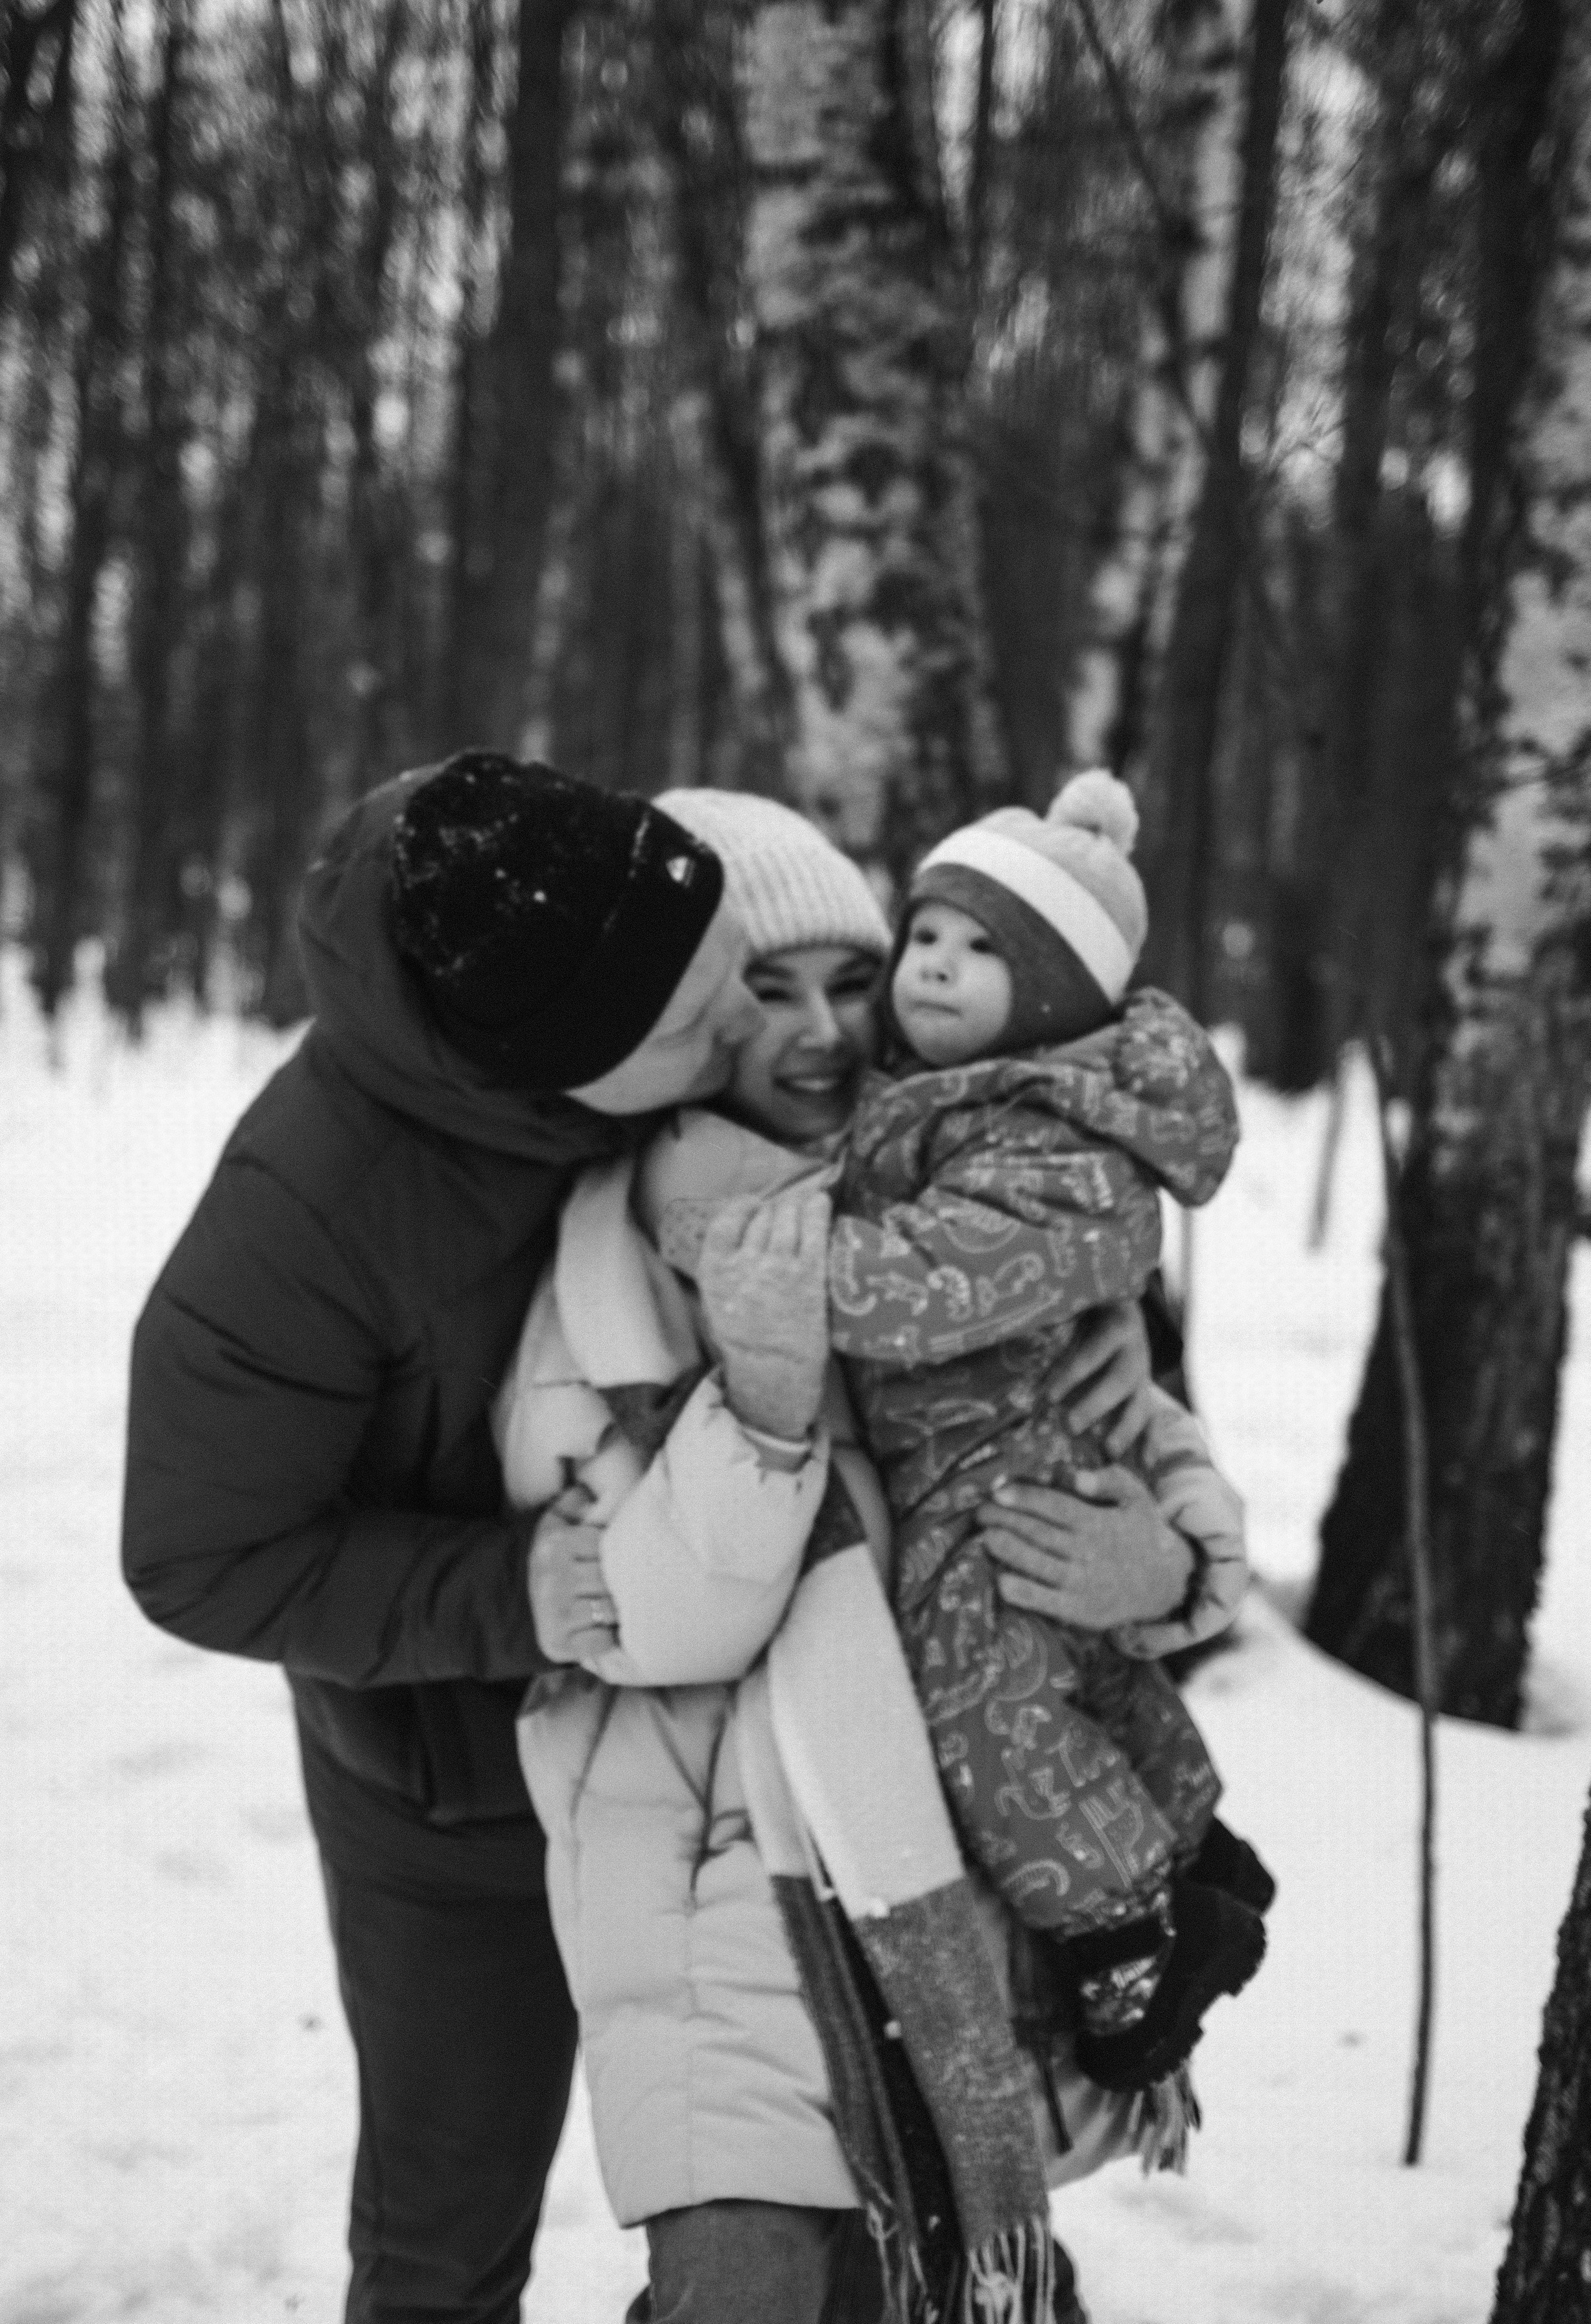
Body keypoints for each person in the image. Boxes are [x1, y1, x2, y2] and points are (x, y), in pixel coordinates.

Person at [499, 790, 1257, 2324]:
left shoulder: (973, 1184)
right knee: (749, 2290)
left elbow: (1135, 1456)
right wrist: (770, 1405)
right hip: (723, 1873)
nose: (826, 1030)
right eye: (765, 991)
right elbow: (649, 1619)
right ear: (693, 1013)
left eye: (854, 978)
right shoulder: (624, 1245)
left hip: (937, 1863)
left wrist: (1164, 1564)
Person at [121, 751, 766, 2324]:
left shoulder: (698, 1035)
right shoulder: (309, 1212)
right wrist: (510, 1589)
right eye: (693, 1024)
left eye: (729, 974)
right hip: (458, 1797)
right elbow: (201, 1554)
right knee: (446, 2231)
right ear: (557, 1075)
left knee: (803, 2213)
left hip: (747, 1758)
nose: (748, 1032)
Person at [821, 771, 1271, 2099]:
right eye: (924, 939)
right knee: (1067, 1691)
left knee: (993, 1701)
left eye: (983, 951)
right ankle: (1188, 1847)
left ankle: (1128, 1922)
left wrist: (761, 1260)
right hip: (970, 1468)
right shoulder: (932, 1101)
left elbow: (913, 1283)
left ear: (1058, 996)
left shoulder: (1044, 1137)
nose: (935, 971)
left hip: (1002, 1478)